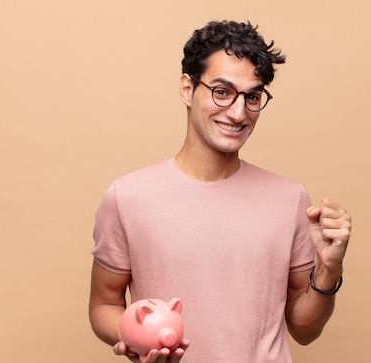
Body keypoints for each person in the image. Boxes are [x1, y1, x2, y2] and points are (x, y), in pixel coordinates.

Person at [89, 20, 352, 363]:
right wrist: (134, 334)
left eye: (253, 96)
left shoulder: (290, 199)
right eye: (222, 91)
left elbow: (304, 330)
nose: (239, 112)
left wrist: (330, 269)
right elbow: (104, 304)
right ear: (187, 88)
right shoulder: (126, 197)